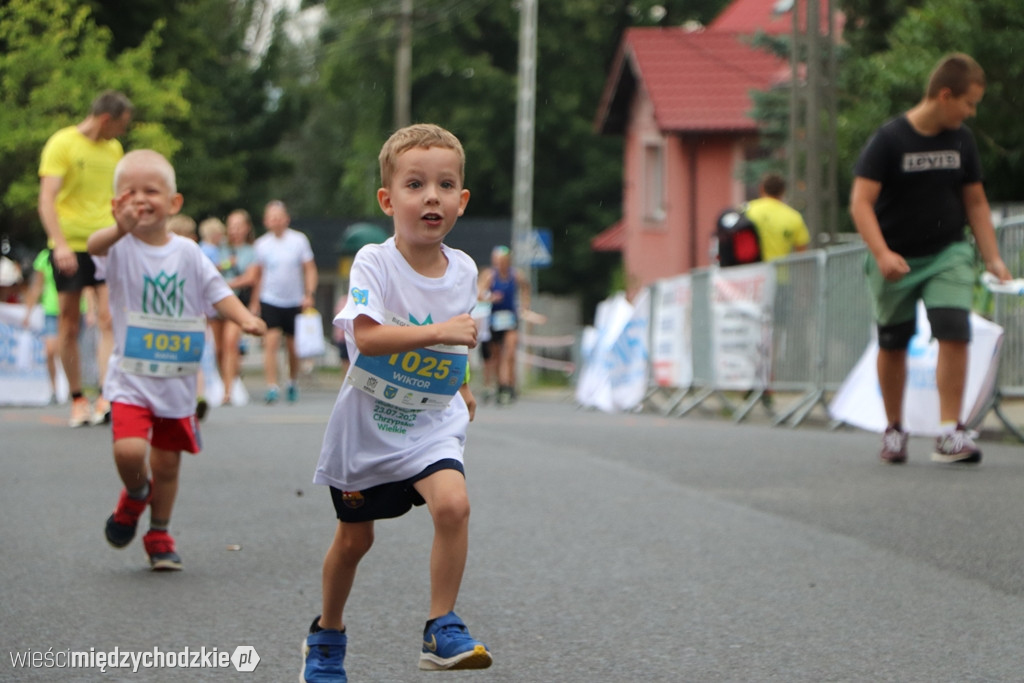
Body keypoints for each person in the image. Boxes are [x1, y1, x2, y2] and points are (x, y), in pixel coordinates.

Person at [302, 123, 491, 680]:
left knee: (453, 504)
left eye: (445, 184)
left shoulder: (465, 270)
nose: (431, 196)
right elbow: (369, 338)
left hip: (430, 420)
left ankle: (442, 625)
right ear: (389, 200)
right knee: (354, 539)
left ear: (462, 200)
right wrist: (439, 335)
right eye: (415, 184)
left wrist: (459, 384)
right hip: (369, 427)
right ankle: (328, 635)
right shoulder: (374, 263)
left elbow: (454, 336)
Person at [87, 150, 266, 570]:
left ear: (175, 203)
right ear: (116, 205)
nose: (141, 200)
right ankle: (134, 494)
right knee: (130, 451)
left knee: (167, 463)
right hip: (131, 377)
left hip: (177, 379)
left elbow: (217, 291)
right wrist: (118, 228)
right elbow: (93, 246)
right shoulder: (117, 247)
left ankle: (160, 533)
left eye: (152, 191)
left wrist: (244, 318)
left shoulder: (187, 252)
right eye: (130, 193)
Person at [849, 52, 1012, 465]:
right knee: (893, 342)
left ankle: (949, 432)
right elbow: (860, 203)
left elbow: (975, 202)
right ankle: (894, 429)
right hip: (895, 258)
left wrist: (991, 257)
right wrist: (882, 253)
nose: (971, 112)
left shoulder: (962, 141)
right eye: (969, 102)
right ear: (945, 95)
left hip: (948, 253)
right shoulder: (890, 139)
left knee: (954, 329)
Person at [39, 89, 132, 427]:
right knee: (69, 323)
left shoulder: (114, 149)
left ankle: (106, 395)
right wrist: (60, 244)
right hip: (70, 244)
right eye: (120, 125)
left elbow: (116, 197)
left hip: (106, 243)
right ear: (106, 119)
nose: (121, 133)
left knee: (108, 318)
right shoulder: (62, 143)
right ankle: (78, 398)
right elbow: (47, 199)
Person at [250, 200, 317, 404]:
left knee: (292, 346)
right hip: (270, 299)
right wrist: (255, 301)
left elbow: (309, 268)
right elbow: (258, 275)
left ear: (286, 219)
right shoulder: (261, 244)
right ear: (266, 221)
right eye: (272, 218)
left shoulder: (298, 240)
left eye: (279, 217)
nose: (276, 221)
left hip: (294, 299)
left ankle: (291, 381)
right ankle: (271, 385)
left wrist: (309, 293)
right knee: (270, 342)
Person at [476, 245, 530, 405]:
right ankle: (496, 385)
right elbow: (479, 294)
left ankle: (508, 385)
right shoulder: (489, 275)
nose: (499, 264)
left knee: (510, 352)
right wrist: (491, 297)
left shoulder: (516, 275)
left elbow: (526, 288)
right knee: (495, 356)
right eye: (497, 261)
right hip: (493, 320)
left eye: (502, 261)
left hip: (510, 320)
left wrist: (525, 306)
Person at [217, 209, 259, 405]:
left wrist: (227, 284)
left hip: (237, 303)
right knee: (217, 348)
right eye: (231, 226)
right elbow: (211, 267)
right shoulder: (220, 248)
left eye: (238, 226)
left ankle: (228, 390)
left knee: (229, 343)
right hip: (216, 302)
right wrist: (227, 264)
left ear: (247, 228)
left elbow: (251, 278)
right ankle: (224, 380)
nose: (234, 230)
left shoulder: (252, 252)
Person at [744, 173, 811, 261]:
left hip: (751, 272)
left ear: (761, 188)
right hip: (779, 273)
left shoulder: (746, 210)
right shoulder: (793, 216)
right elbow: (802, 253)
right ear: (783, 191)